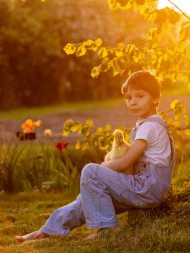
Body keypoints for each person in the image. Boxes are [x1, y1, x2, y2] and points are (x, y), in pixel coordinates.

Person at [15, 70, 175, 242]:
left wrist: (102, 168)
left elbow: (125, 163)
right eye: (128, 98)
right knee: (88, 198)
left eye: (139, 96)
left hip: (145, 189)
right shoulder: (148, 125)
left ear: (156, 98)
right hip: (142, 188)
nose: (133, 102)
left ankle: (107, 229)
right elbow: (135, 157)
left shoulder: (150, 127)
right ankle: (46, 231)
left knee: (90, 171)